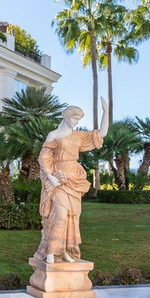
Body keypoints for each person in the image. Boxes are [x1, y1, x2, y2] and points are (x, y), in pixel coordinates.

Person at [36, 99, 108, 264]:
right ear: (66, 116)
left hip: (74, 177)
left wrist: (106, 112)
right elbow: (44, 157)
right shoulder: (54, 135)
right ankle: (51, 251)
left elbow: (101, 133)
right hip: (59, 177)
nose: (77, 122)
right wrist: (50, 176)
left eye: (79, 119)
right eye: (75, 118)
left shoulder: (78, 136)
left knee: (72, 217)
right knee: (60, 215)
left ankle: (65, 251)